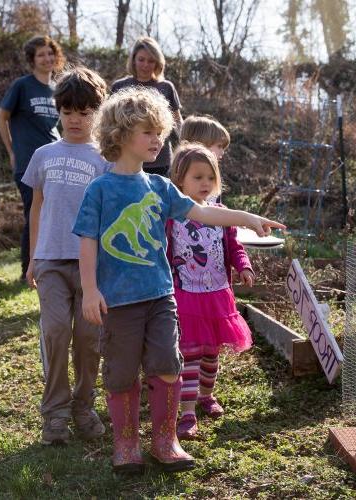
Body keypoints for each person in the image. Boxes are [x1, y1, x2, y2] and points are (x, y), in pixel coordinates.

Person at [72, 87, 284, 473]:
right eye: (148, 132)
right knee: (120, 373)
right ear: (120, 135)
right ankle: (126, 445)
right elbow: (86, 243)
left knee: (168, 364)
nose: (157, 140)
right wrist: (90, 290)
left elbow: (203, 213)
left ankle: (165, 440)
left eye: (159, 131)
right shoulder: (99, 189)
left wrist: (247, 218)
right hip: (118, 301)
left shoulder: (160, 187)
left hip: (161, 297)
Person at [21, 67, 109, 445]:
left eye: (85, 112)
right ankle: (54, 413)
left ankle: (83, 405)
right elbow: (36, 208)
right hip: (51, 262)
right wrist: (32, 258)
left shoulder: (105, 159)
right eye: (68, 111)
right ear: (58, 111)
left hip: (92, 268)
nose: (75, 119)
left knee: (89, 339)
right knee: (56, 332)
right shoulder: (43, 155)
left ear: (97, 113)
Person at [167, 143, 254, 440]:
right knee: (190, 352)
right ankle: (188, 411)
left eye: (209, 177)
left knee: (211, 353)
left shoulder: (221, 214)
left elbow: (234, 246)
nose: (205, 184)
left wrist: (244, 266)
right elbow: (164, 252)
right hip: (186, 296)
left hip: (217, 295)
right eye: (197, 177)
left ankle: (206, 395)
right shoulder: (172, 216)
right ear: (180, 180)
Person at [0, 35, 65, 281]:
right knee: (34, 213)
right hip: (28, 162)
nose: (46, 58)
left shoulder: (58, 89)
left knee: (54, 213)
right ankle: (29, 270)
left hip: (56, 161)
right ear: (32, 60)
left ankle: (52, 264)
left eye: (50, 53)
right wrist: (12, 151)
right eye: (40, 55)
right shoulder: (22, 86)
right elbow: (1, 117)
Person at [110, 36, 182, 177]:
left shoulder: (166, 87)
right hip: (126, 159)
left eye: (151, 61)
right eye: (141, 60)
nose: (145, 65)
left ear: (158, 62)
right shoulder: (120, 86)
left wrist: (186, 147)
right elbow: (110, 123)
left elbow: (177, 122)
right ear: (133, 60)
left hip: (159, 161)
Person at [180, 115, 231, 203]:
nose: (222, 152)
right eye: (219, 146)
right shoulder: (184, 172)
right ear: (202, 144)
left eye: (210, 178)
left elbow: (216, 205)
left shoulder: (213, 171)